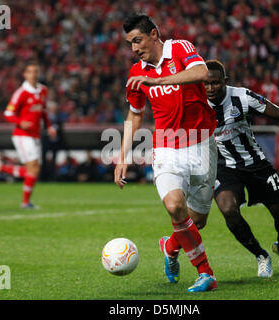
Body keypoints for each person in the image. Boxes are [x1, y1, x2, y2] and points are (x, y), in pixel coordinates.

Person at [115, 14, 218, 292]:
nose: (134, 49)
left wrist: (160, 82)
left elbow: (201, 73)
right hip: (166, 146)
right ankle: (205, 273)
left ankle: (170, 247)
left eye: (137, 40)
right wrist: (122, 155)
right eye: (130, 44)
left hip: (202, 143)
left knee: (196, 221)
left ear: (154, 34)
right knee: (174, 206)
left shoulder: (180, 48)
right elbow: (135, 115)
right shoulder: (137, 72)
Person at [204, 60, 279, 278]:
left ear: (225, 82)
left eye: (215, 83)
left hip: (256, 164)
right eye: (205, 84)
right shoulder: (196, 104)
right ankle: (261, 255)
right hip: (225, 167)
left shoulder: (242, 97)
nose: (210, 88)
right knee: (228, 209)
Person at [1, 61, 56, 208]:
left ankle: (2, 168)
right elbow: (8, 113)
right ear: (25, 74)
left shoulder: (43, 90)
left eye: (36, 71)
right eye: (30, 72)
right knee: (33, 168)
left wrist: (49, 127)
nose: (33, 74)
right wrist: (20, 122)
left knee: (34, 170)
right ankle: (25, 202)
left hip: (36, 135)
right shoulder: (21, 93)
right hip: (22, 135)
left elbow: (43, 111)